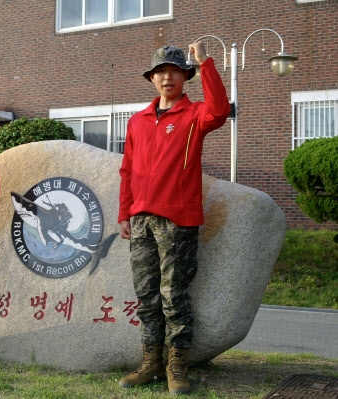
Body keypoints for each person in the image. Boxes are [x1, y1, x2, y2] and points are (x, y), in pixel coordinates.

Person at [117, 43, 230, 395]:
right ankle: (150, 362)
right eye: (161, 72)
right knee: (146, 294)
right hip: (141, 220)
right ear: (152, 78)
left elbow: (220, 110)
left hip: (177, 220)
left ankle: (177, 365)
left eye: (175, 71)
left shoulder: (195, 115)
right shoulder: (137, 121)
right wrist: (125, 212)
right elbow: (128, 170)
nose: (168, 77)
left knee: (173, 294)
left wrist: (206, 63)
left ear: (185, 76)